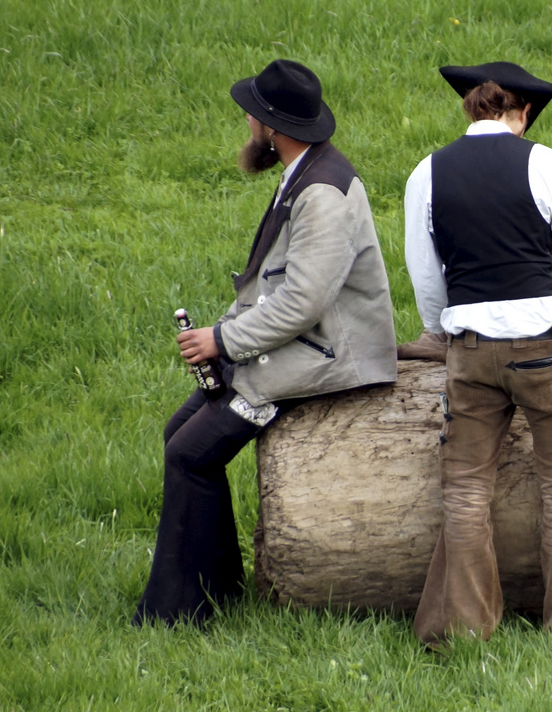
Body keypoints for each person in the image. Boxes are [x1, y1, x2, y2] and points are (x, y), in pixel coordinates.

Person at [133, 59, 397, 626]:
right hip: (298, 345)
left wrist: (223, 342)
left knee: (189, 453)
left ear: (273, 127)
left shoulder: (321, 194)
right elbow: (273, 287)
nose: (247, 123)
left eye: (252, 115)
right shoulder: (302, 173)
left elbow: (304, 304)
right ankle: (218, 589)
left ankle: (181, 611)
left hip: (324, 357)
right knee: (179, 435)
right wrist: (225, 337)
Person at [404, 61, 552, 646]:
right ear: (521, 113)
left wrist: (442, 328)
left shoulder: (426, 172)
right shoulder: (544, 163)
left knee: (465, 490)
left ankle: (462, 630)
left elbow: (425, 274)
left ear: (472, 108)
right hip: (540, 349)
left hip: (470, 353)